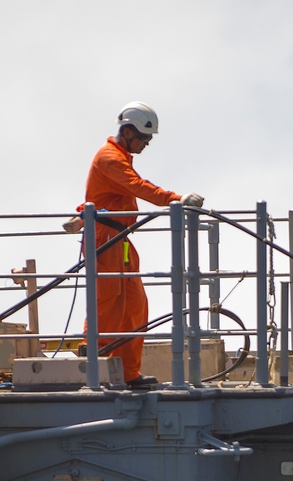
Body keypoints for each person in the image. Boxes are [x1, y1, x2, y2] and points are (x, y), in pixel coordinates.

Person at [71, 101, 204, 389]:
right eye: (144, 138)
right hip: (105, 239)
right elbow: (138, 186)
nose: (147, 144)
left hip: (120, 239)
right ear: (129, 132)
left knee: (133, 306)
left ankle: (128, 373)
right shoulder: (110, 158)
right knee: (106, 303)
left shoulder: (119, 156)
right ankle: (96, 365)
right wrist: (175, 199)